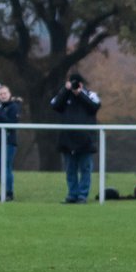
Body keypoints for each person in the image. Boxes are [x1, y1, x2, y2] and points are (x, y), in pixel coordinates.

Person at [51, 73, 102, 203]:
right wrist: (65, 90)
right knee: (70, 170)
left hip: (85, 140)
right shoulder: (64, 95)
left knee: (85, 169)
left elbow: (94, 107)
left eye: (76, 83)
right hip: (67, 139)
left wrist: (80, 94)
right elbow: (55, 106)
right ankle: (72, 195)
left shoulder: (90, 95)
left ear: (81, 84)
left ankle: (82, 196)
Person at [0, 84, 22, 201]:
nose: (2, 96)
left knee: (6, 167)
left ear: (9, 94)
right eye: (0, 94)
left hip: (8, 142)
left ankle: (9, 193)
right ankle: (3, 192)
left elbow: (12, 123)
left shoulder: (14, 107)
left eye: (5, 93)